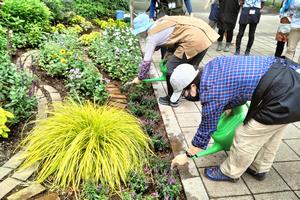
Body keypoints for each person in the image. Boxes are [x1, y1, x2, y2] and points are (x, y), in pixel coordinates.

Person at [171, 55, 300, 182]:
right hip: (289, 75)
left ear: (193, 86)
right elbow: (238, 88)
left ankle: (230, 172)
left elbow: (205, 130)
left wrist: (187, 156)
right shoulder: (213, 65)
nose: (186, 96)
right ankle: (259, 168)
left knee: (246, 135)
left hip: (284, 92)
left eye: (184, 93)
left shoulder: (211, 92)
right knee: (271, 130)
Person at [130, 13, 219, 107]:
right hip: (205, 34)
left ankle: (171, 98)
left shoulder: (152, 36)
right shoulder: (160, 22)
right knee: (191, 68)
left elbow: (146, 61)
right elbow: (171, 38)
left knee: (169, 68)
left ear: (143, 30)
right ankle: (191, 93)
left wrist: (140, 77)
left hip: (193, 40)